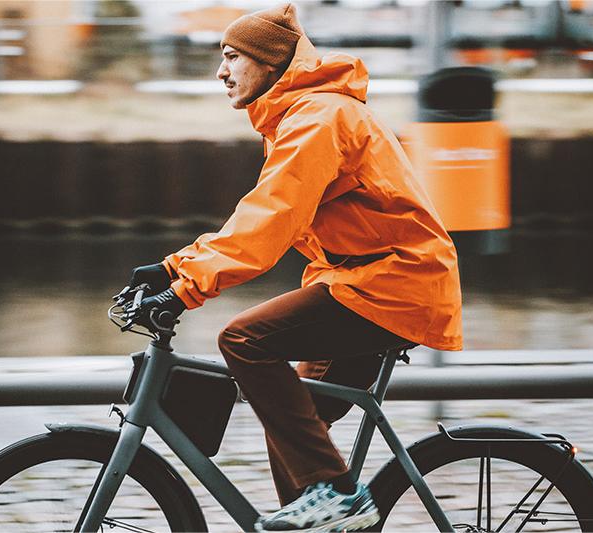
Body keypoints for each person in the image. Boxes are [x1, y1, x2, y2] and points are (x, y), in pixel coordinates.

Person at [126, 3, 462, 531]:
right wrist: (173, 269)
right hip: (367, 281)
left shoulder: (318, 118)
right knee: (292, 420)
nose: (221, 71)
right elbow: (262, 216)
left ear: (268, 62)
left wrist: (186, 285)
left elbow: (270, 221)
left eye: (233, 56)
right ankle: (324, 510)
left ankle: (337, 497)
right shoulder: (302, 117)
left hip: (392, 284)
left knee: (243, 340)